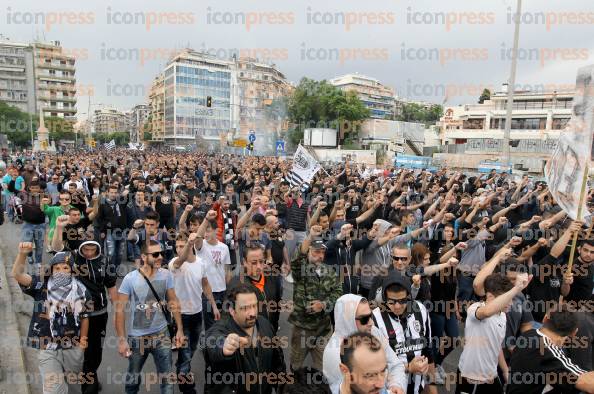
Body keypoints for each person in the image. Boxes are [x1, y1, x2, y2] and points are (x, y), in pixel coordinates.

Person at [13, 245, 90, 394]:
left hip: (72, 346)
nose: (61, 272)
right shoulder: (40, 286)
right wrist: (22, 254)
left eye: (65, 268)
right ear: (52, 270)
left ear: (72, 270)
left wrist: (83, 343)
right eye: (57, 268)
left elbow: (84, 317)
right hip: (47, 347)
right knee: (53, 390)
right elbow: (17, 274)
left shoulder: (82, 291)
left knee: (72, 385)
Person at [115, 240, 185, 394]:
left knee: (167, 380)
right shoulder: (130, 279)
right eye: (155, 254)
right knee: (133, 380)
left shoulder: (166, 275)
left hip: (162, 336)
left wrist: (179, 330)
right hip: (137, 339)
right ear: (143, 257)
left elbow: (173, 302)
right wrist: (121, 340)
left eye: (161, 253)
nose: (160, 257)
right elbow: (120, 311)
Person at [204, 283, 287, 394]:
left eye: (254, 306)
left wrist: (282, 387)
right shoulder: (223, 329)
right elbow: (212, 340)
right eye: (245, 308)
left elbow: (277, 361)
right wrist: (223, 345)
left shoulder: (264, 324)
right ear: (232, 311)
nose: (252, 313)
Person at [456, 272, 531, 394]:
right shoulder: (475, 308)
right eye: (506, 299)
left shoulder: (502, 315)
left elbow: (496, 345)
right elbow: (486, 312)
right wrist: (517, 288)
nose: (511, 303)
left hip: (491, 375)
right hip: (472, 378)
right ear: (490, 296)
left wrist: (505, 370)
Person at [323, 294, 407, 394]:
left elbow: (395, 364)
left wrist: (396, 384)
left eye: (370, 316)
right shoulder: (334, 353)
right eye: (364, 319)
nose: (371, 322)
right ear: (347, 319)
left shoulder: (373, 332)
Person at [169, 232, 220, 394]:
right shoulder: (174, 264)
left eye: (181, 245)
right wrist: (188, 246)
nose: (178, 249)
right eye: (176, 246)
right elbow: (181, 259)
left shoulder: (200, 263)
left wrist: (213, 305)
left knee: (191, 349)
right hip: (180, 317)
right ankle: (186, 387)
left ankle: (183, 366)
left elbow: (205, 285)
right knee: (185, 353)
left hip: (197, 314)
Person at [372, 270, 435, 394]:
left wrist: (432, 387)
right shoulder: (375, 319)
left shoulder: (420, 310)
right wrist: (408, 368)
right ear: (384, 298)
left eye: (402, 301)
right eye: (391, 301)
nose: (397, 306)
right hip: (392, 389)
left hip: (417, 387)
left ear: (409, 296)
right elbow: (374, 366)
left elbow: (428, 350)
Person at [507, 304, 594, 394]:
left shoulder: (528, 335)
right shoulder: (548, 352)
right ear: (574, 333)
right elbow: (589, 384)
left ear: (545, 318)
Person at [289, 225, 342, 371]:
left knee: (324, 368)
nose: (319, 255)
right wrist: (310, 236)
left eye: (322, 252)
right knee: (296, 367)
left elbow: (337, 290)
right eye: (316, 252)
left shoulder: (329, 271)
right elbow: (296, 258)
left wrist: (324, 305)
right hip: (302, 329)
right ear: (309, 252)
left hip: (323, 329)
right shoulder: (300, 269)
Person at [227, 243, 283, 332]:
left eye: (261, 261)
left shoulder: (273, 277)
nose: (259, 266)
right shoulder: (236, 285)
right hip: (250, 335)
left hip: (270, 330)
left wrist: (274, 328)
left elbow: (277, 305)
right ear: (244, 262)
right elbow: (227, 317)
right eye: (254, 263)